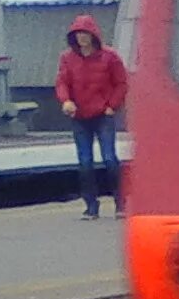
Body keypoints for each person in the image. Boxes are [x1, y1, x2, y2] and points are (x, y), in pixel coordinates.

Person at [55, 14, 129, 218]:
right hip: (79, 116)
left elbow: (121, 83)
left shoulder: (110, 57)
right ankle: (90, 205)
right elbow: (62, 82)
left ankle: (120, 202)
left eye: (85, 34)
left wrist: (112, 106)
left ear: (93, 35)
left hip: (102, 115)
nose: (82, 38)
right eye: (78, 34)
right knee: (85, 161)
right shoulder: (67, 58)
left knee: (109, 158)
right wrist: (66, 101)